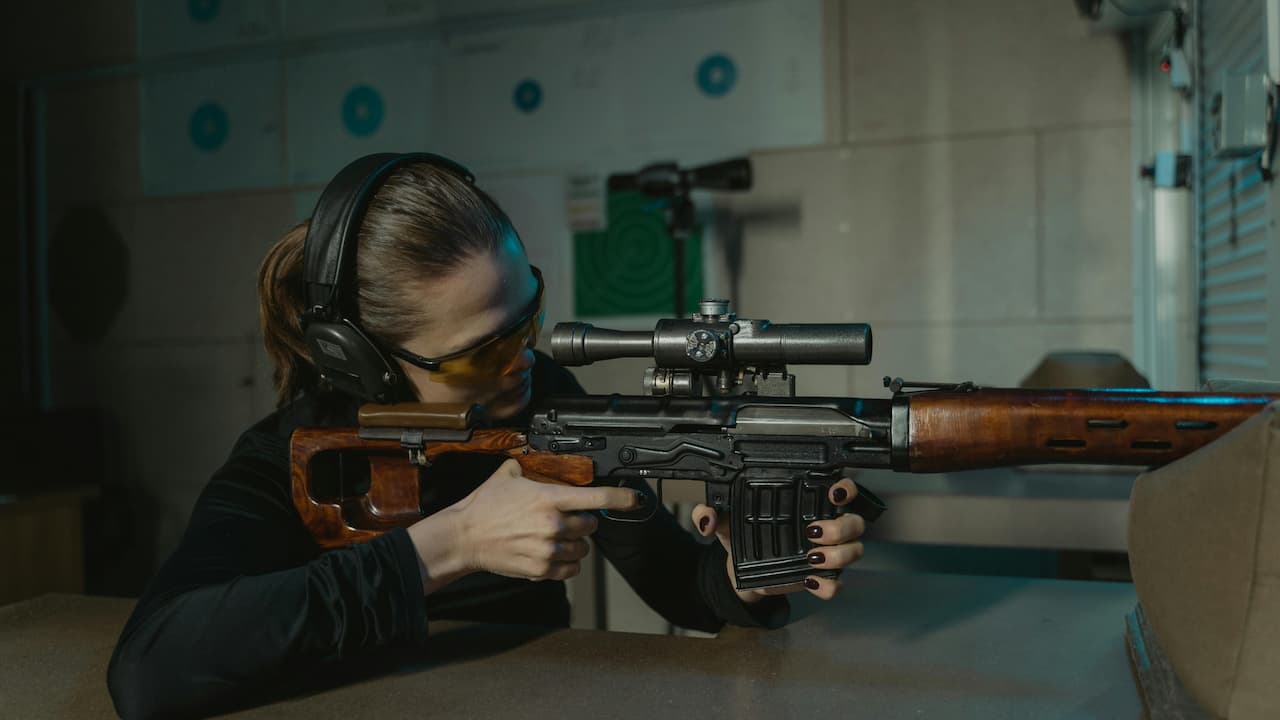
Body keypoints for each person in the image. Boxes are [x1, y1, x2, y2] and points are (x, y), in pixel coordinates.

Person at [106, 153, 868, 719]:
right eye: (481, 353)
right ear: (366, 361)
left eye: (526, 320)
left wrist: (744, 571)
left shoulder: (542, 404)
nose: (523, 364)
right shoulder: (289, 461)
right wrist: (452, 544)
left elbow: (681, 588)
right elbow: (153, 671)